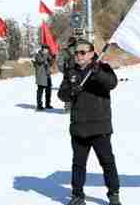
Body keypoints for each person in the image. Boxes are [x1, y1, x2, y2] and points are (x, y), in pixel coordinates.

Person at [57, 39, 121, 205]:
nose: (78, 55)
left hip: (100, 127)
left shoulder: (102, 68)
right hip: (79, 127)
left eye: (82, 52)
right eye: (76, 52)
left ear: (92, 54)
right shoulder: (71, 71)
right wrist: (72, 90)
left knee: (107, 163)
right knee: (78, 164)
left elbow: (112, 83)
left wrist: (98, 72)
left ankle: (113, 194)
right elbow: (62, 95)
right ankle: (77, 196)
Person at [57, 36, 77, 113]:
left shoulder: (64, 51)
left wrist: (64, 71)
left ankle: (68, 108)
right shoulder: (80, 51)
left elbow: (60, 63)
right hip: (79, 73)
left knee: (67, 89)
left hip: (68, 73)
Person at [32, 44, 54, 110]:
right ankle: (39, 105)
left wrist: (52, 58)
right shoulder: (38, 55)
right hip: (41, 75)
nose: (47, 50)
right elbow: (41, 61)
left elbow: (50, 63)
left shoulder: (47, 55)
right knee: (40, 91)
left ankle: (48, 104)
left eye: (47, 49)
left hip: (47, 75)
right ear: (42, 49)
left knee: (48, 91)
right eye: (46, 49)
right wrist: (46, 55)